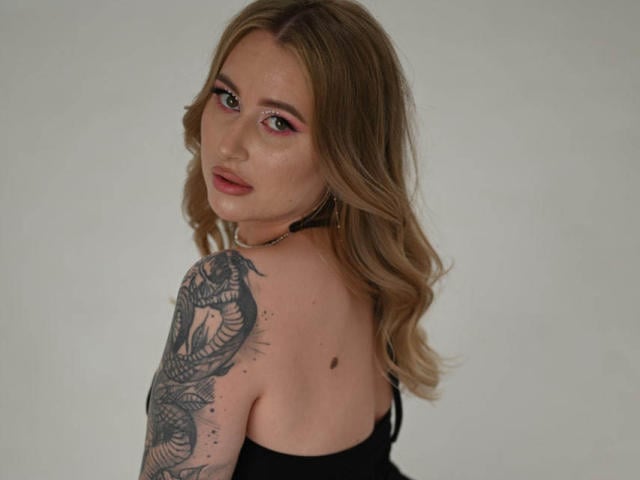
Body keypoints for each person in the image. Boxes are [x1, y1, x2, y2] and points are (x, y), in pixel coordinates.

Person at [139, 1, 450, 479]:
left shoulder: (227, 288)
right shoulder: (367, 262)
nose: (229, 144)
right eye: (228, 99)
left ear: (344, 151)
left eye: (278, 122)